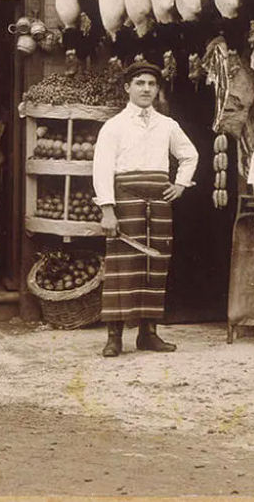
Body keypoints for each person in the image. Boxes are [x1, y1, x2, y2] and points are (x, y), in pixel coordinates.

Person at [92, 60, 199, 357]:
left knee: (155, 267)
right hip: (125, 203)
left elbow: (189, 156)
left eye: (151, 84)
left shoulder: (167, 125)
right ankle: (114, 336)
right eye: (140, 83)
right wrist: (108, 210)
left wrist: (180, 185)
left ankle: (148, 333)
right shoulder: (113, 127)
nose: (146, 89)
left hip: (160, 205)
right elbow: (102, 170)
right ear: (127, 87)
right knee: (121, 268)